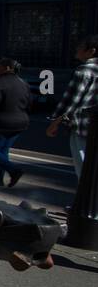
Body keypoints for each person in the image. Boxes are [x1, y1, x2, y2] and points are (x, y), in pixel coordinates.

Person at [46, 34, 98, 180]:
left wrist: (54, 123)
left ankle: (84, 201)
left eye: (81, 46)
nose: (77, 49)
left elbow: (71, 102)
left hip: (82, 126)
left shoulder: (84, 71)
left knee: (83, 166)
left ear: (91, 51)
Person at [0, 57, 30, 187]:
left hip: (1, 121)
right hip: (20, 121)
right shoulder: (23, 83)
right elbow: (29, 102)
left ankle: (13, 170)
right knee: (3, 149)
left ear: (7, 68)